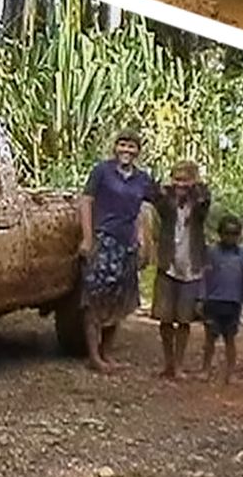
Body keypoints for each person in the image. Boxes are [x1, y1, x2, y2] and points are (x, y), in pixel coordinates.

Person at [78, 129, 157, 373]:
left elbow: (145, 209)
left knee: (120, 301)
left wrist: (144, 239)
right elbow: (86, 202)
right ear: (115, 147)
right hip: (104, 240)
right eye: (122, 145)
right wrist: (88, 238)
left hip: (127, 245)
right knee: (95, 298)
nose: (126, 150)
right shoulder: (102, 171)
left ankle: (107, 352)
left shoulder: (142, 179)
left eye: (131, 146)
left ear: (138, 151)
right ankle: (93, 355)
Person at [150, 160, 211, 379]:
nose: (181, 184)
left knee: (185, 319)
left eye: (186, 180)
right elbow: (154, 197)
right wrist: (164, 188)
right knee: (165, 318)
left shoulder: (199, 203)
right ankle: (168, 362)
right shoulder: (167, 203)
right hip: (168, 264)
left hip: (191, 265)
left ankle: (179, 363)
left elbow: (203, 203)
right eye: (177, 179)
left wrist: (196, 188)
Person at [199, 214, 243, 384]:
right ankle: (206, 369)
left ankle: (231, 371)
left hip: (233, 302)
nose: (230, 237)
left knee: (230, 339)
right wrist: (200, 298)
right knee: (210, 338)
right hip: (214, 301)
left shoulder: (242, 255)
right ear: (220, 234)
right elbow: (203, 277)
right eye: (227, 233)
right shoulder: (212, 252)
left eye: (234, 234)